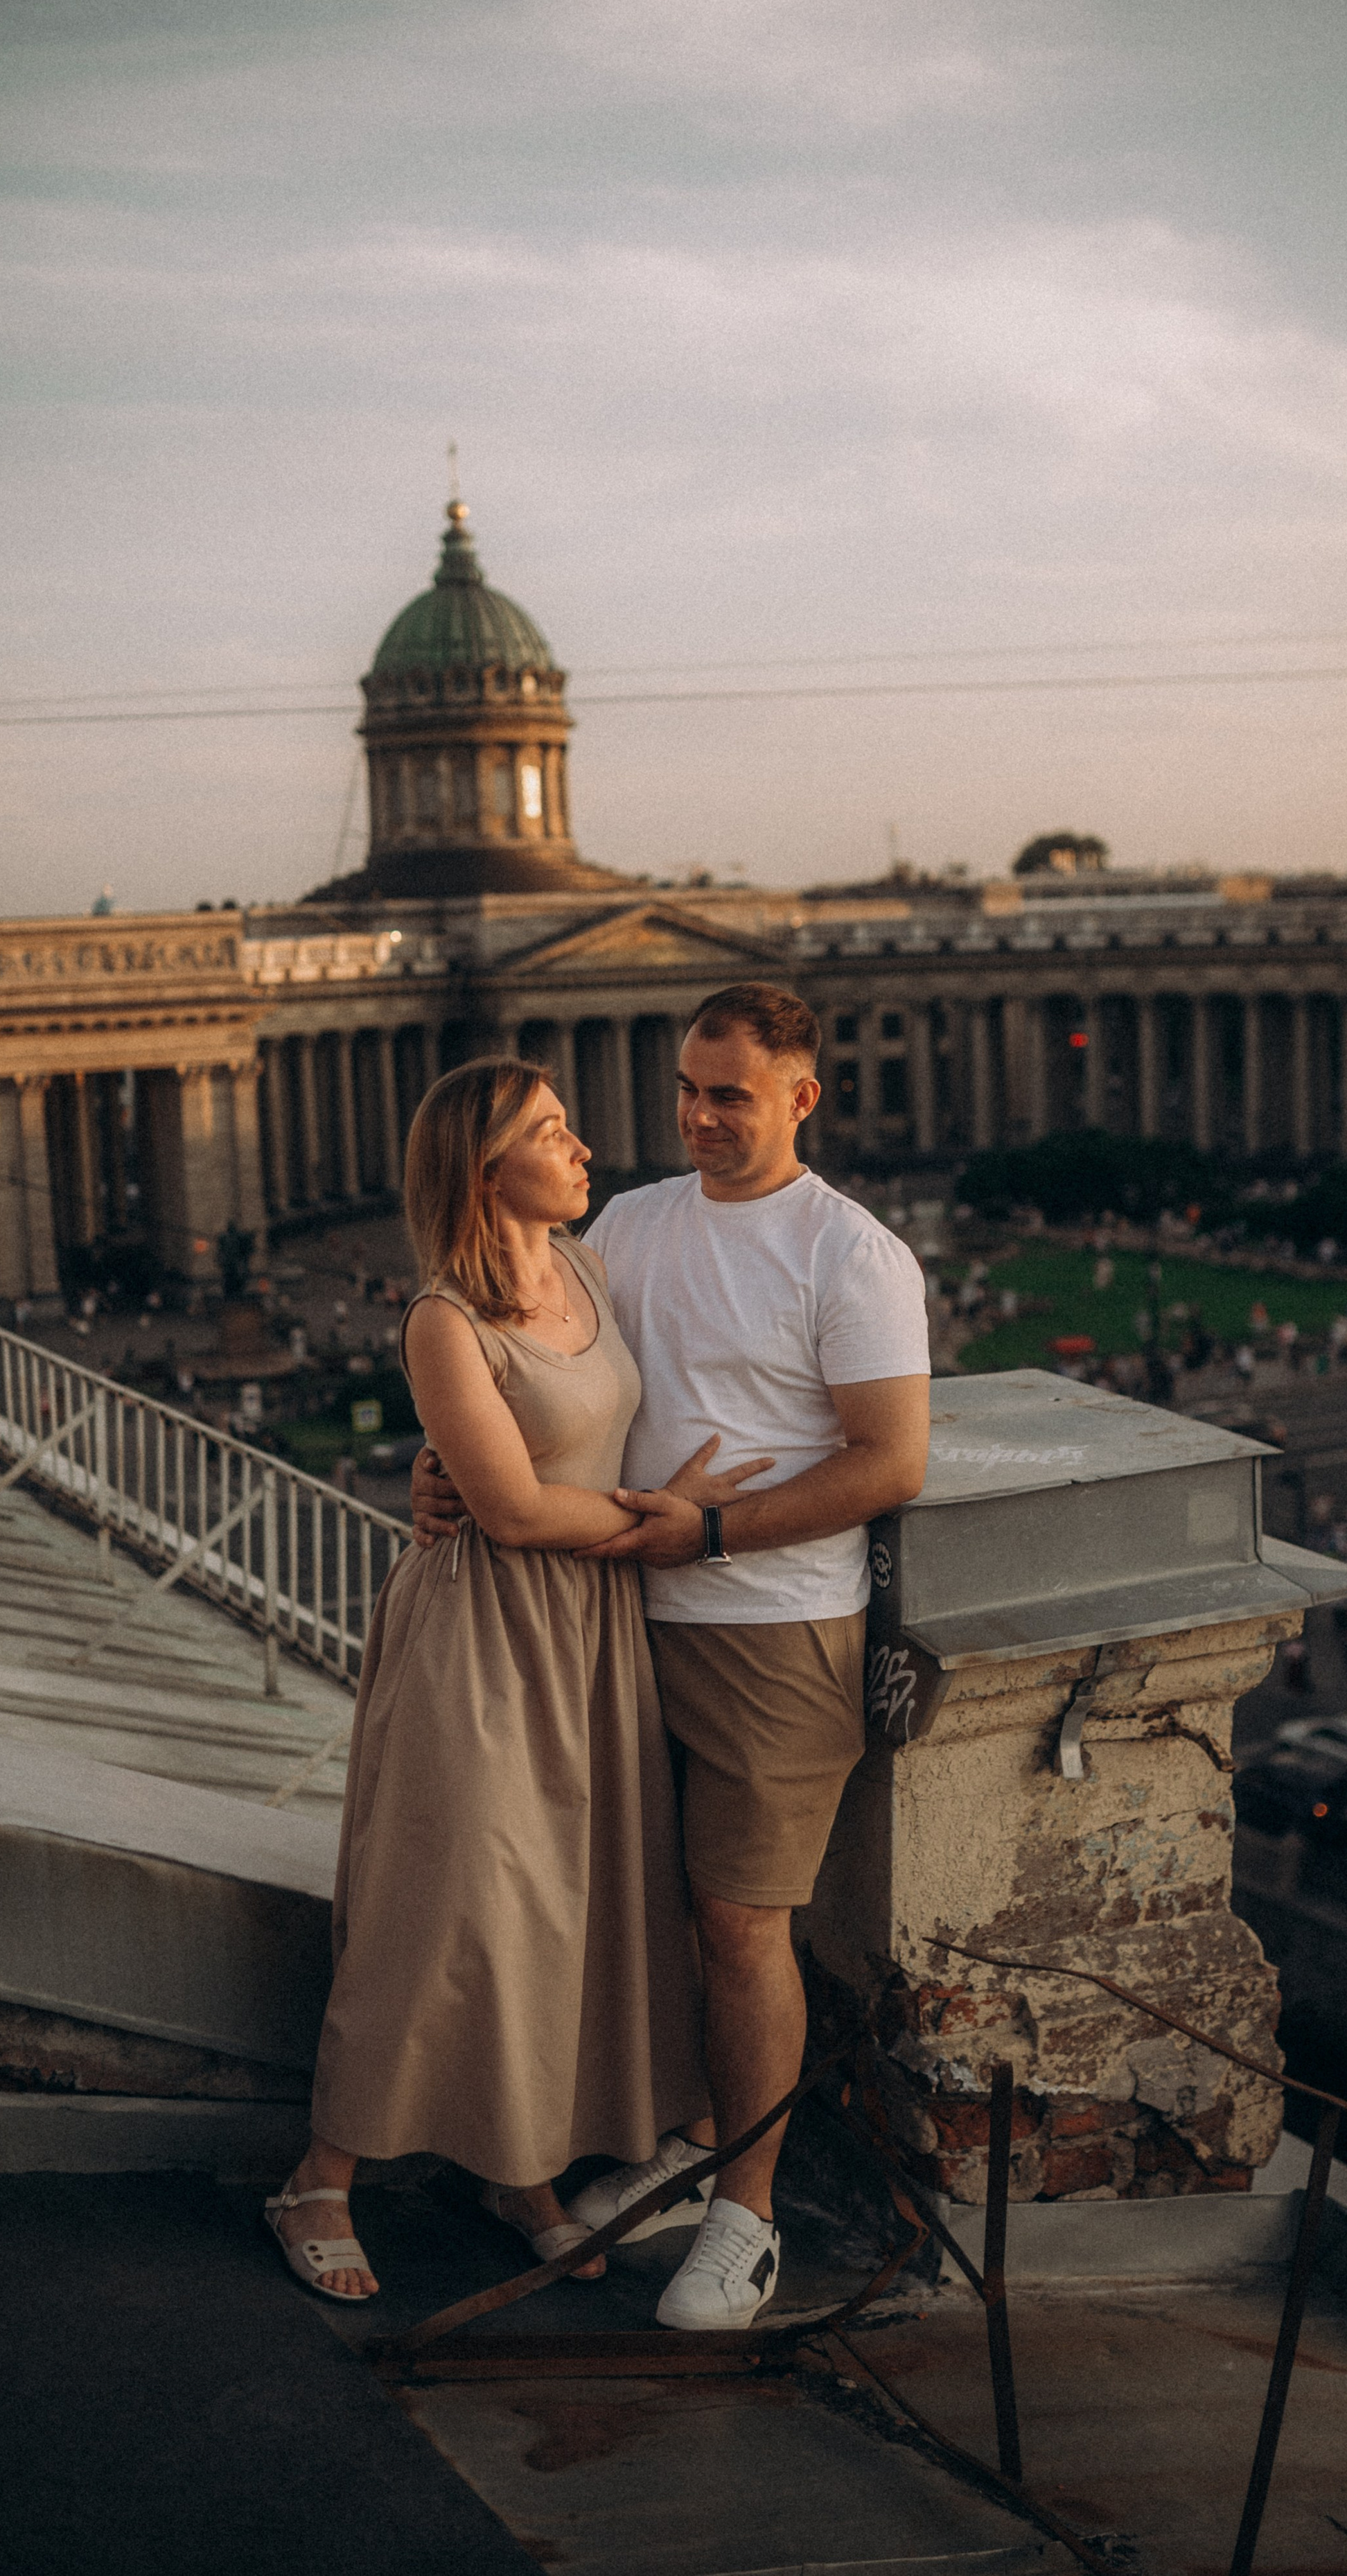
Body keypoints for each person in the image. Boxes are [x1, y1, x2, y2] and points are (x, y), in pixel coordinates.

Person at [414, 983, 930, 2329]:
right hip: (614, 1626)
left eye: (731, 1096)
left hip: (776, 1630)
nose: (698, 1117)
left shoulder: (851, 1256)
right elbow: (523, 1357)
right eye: (687, 1091)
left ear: (801, 1099)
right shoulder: (625, 1226)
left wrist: (709, 1531)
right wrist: (444, 1465)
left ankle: (746, 2222)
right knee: (653, 1918)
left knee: (743, 1928)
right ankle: (695, 2143)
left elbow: (891, 1463)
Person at [265, 1060, 750, 2303]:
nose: (583, 1146)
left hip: (593, 1633)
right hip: (483, 1638)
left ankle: (521, 2172)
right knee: (447, 1909)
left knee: (560, 1913)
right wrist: (669, 1517)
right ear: (486, 1172)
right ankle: (319, 2178)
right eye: (551, 1131)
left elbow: (571, 1453)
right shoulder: (444, 1319)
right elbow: (514, 1508)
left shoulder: (588, 1268)